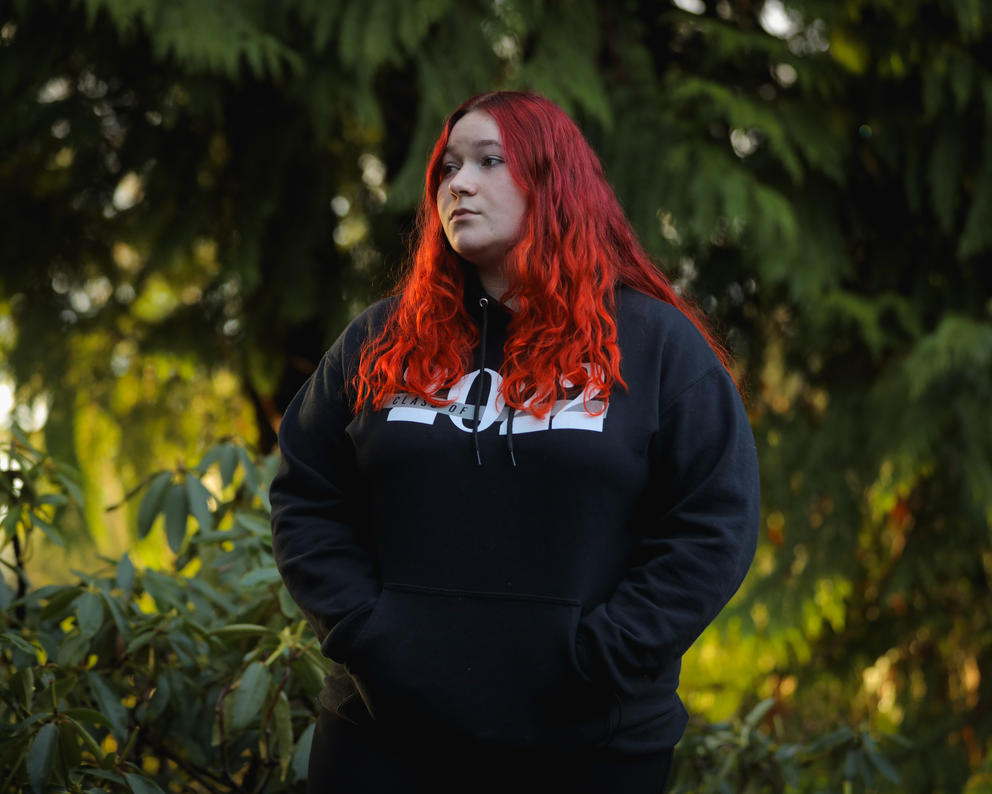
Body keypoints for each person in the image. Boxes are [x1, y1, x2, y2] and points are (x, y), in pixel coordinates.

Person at [269, 90, 760, 793]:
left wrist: (598, 659)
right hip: (383, 747)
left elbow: (715, 523)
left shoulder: (655, 347)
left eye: (490, 161)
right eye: (448, 167)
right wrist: (370, 637)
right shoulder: (381, 342)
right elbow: (306, 494)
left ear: (553, 181)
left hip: (590, 750)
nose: (458, 183)